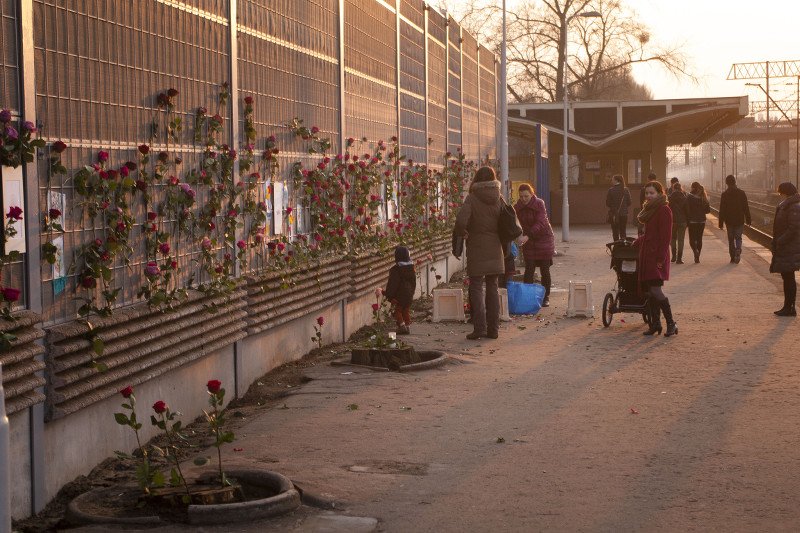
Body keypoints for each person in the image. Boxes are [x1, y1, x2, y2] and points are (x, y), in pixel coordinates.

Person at [454, 166, 505, 340]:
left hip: (476, 247)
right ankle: (494, 330)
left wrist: (464, 232)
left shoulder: (472, 198)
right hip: (496, 247)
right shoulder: (499, 197)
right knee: (492, 287)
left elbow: (461, 221)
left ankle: (480, 328)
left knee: (476, 287)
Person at [634, 180, 678, 337]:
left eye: (652, 193)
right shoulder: (651, 210)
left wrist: (660, 259)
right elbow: (650, 234)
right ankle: (655, 324)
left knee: (655, 290)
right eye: (647, 193)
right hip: (648, 255)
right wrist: (638, 241)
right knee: (650, 292)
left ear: (660, 193)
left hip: (657, 257)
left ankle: (671, 323)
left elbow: (666, 237)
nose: (648, 196)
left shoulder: (664, 210)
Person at [514, 183, 556, 307]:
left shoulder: (539, 204)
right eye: (521, 196)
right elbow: (515, 224)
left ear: (532, 194)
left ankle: (545, 297)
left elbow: (541, 222)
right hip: (529, 241)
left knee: (545, 269)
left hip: (544, 239)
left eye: (526, 196)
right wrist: (518, 235)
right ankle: (528, 297)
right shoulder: (517, 207)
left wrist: (527, 236)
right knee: (529, 269)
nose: (523, 199)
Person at [770, 182, 800, 317]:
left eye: (780, 192)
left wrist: (780, 241)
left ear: (785, 192)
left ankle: (790, 307)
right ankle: (787, 306)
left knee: (789, 277)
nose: (779, 195)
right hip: (786, 246)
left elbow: (793, 228)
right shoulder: (789, 204)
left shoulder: (793, 206)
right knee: (787, 276)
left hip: (789, 247)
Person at [718, 174, 752, 264]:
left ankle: (732, 257)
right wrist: (748, 218)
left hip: (729, 220)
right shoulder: (741, 193)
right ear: (735, 182)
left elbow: (722, 209)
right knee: (738, 238)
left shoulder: (724, 194)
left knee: (731, 239)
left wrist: (720, 222)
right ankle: (738, 249)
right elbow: (746, 207)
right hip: (739, 219)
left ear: (726, 183)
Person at [385, 246, 417, 334]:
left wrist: (389, 295)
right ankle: (408, 326)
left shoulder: (395, 270)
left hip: (399, 295)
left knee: (397, 311)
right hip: (409, 295)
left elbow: (393, 284)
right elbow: (414, 283)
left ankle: (402, 326)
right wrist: (411, 293)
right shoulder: (412, 268)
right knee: (406, 311)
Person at [686, 181, 710, 263]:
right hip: (702, 221)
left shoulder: (689, 197)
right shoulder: (703, 196)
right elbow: (708, 210)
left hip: (692, 221)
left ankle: (695, 251)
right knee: (699, 238)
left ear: (692, 188)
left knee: (692, 239)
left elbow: (687, 209)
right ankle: (698, 255)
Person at [605, 174, 632, 242]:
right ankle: (623, 247)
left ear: (616, 180)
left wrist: (613, 207)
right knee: (623, 231)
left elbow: (607, 203)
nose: (612, 180)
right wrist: (624, 207)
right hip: (624, 214)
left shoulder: (611, 190)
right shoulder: (626, 190)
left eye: (613, 179)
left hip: (614, 214)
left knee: (615, 232)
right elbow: (629, 202)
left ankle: (616, 246)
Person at [668, 182, 689, 264]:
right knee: (681, 240)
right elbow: (687, 211)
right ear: (681, 188)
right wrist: (687, 221)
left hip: (673, 221)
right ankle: (679, 259)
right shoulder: (684, 198)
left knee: (673, 239)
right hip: (682, 221)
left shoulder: (669, 198)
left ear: (673, 188)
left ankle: (673, 257)